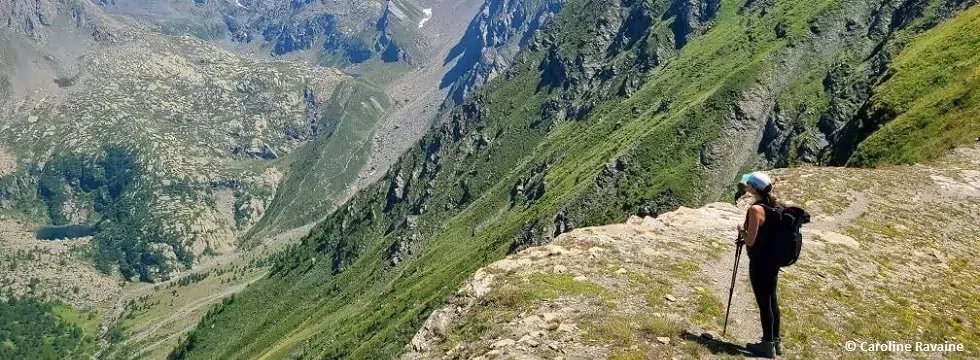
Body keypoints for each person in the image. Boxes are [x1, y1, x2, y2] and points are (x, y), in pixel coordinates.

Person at [737, 171, 783, 358]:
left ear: (754, 188)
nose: (746, 185)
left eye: (748, 184)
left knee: (764, 301)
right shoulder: (775, 206)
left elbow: (750, 240)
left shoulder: (756, 210)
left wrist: (741, 231)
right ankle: (776, 341)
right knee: (772, 299)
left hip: (760, 261)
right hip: (772, 260)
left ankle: (767, 344)